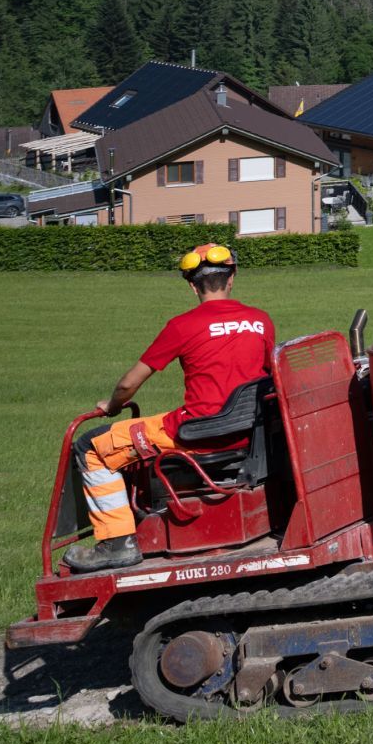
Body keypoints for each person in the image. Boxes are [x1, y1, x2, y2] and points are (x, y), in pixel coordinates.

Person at [62, 243, 278, 572]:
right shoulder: (261, 321)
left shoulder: (182, 326)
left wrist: (112, 405)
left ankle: (117, 543)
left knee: (91, 446)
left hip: (196, 434)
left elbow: (127, 385)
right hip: (247, 435)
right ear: (231, 278)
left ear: (193, 286)